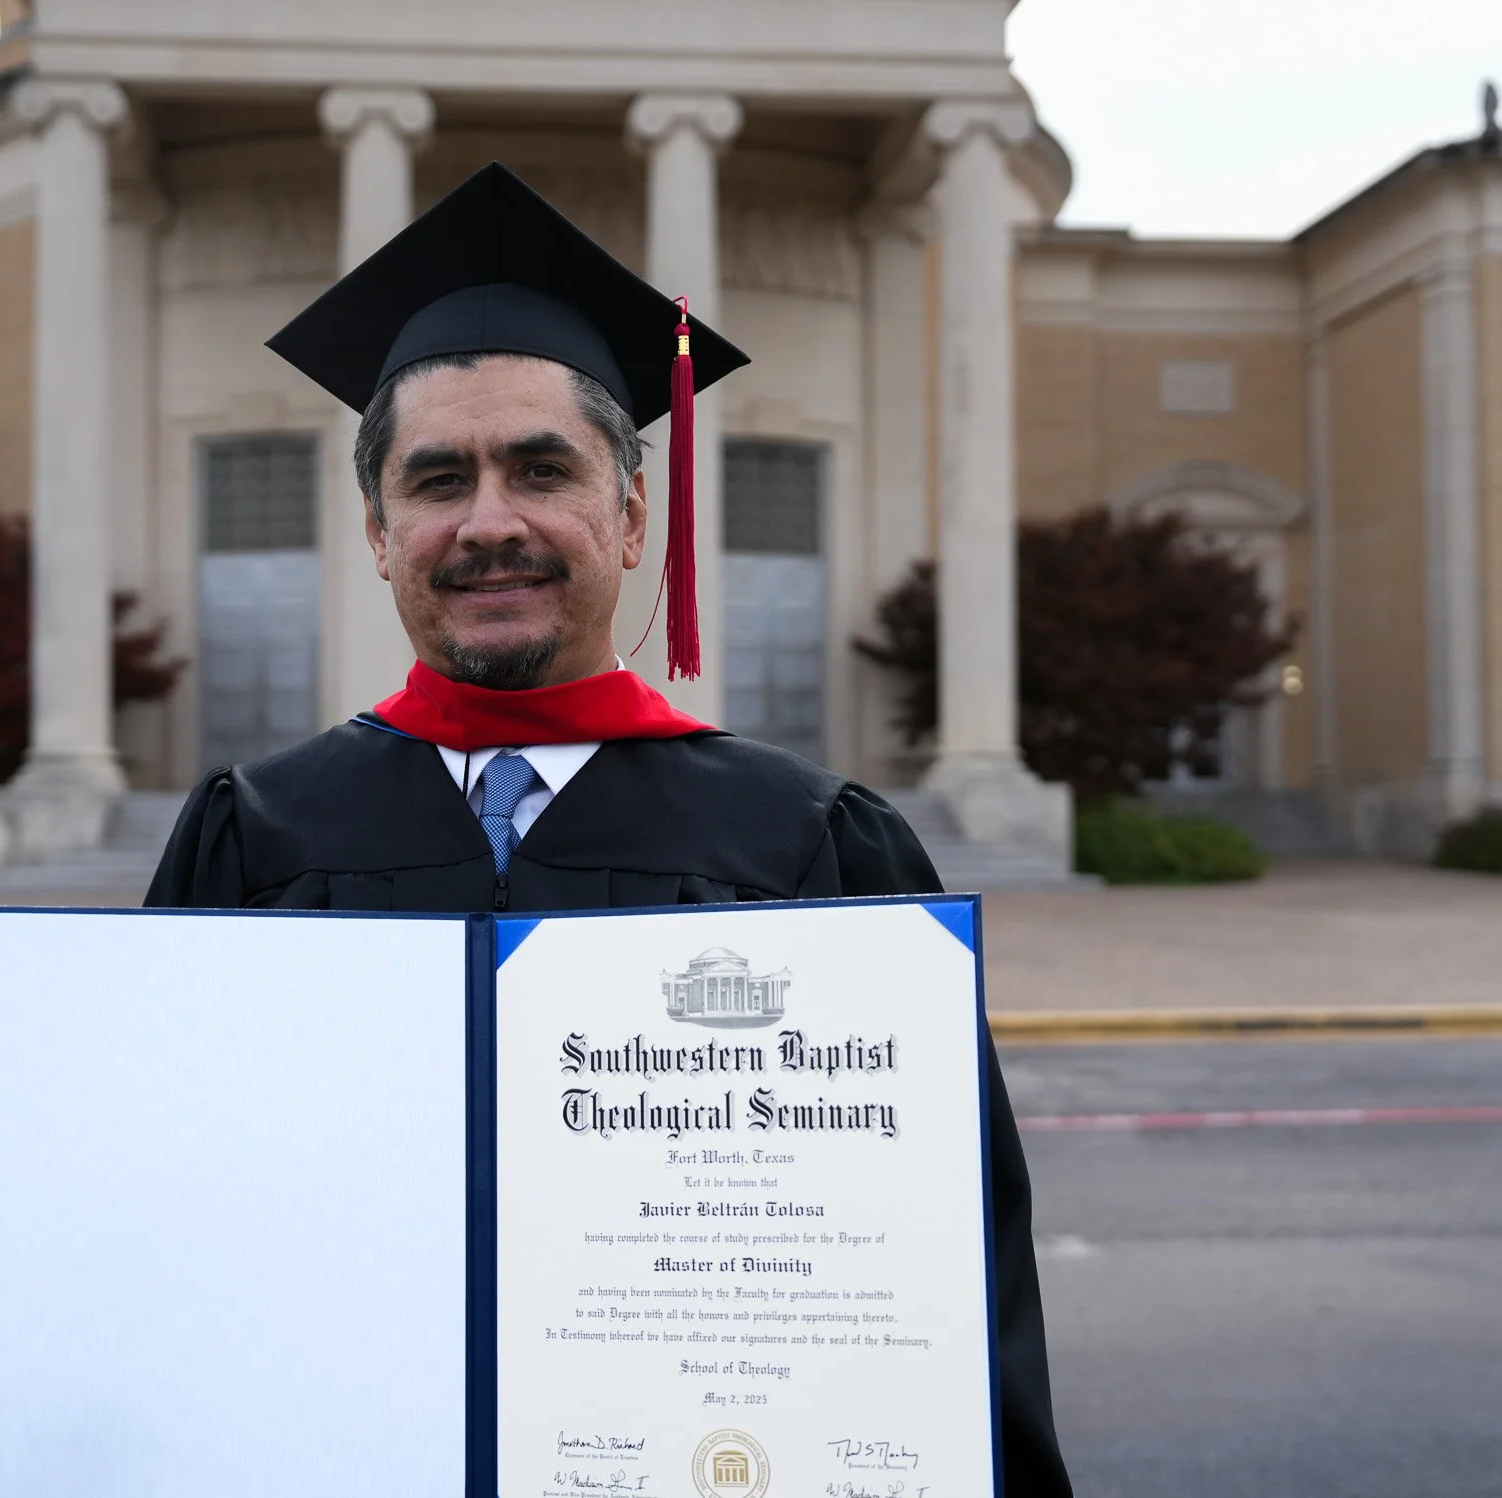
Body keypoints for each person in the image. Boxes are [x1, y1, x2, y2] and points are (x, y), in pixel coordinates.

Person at [149, 162, 1073, 1496]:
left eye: (542, 469)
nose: (488, 521)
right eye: (436, 479)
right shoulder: (261, 833)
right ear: (377, 530)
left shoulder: (809, 844)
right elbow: (164, 1223)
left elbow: (947, 1263)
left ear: (632, 514)